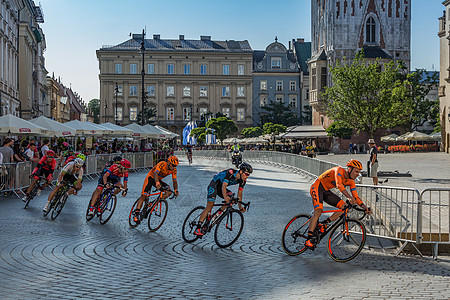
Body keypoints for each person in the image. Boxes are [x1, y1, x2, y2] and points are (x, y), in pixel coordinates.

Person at [304, 159, 371, 249]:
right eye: (356, 171)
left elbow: (356, 197)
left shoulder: (351, 182)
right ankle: (308, 239)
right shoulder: (338, 170)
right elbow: (339, 185)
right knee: (318, 211)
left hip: (326, 191)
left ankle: (324, 223)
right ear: (349, 169)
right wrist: (348, 197)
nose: (358, 174)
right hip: (317, 187)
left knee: (345, 207)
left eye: (359, 172)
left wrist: (365, 207)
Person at [194, 162, 253, 236]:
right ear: (241, 171)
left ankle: (215, 216)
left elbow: (239, 194)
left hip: (221, 188)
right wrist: (225, 198)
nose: (247, 176)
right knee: (209, 206)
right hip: (214, 184)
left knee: (231, 198)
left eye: (249, 175)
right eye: (247, 174)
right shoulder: (230, 173)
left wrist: (240, 207)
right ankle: (198, 228)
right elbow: (224, 187)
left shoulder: (243, 181)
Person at [133, 156, 179, 223]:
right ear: (168, 162)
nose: (174, 167)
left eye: (175, 166)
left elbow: (174, 180)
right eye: (173, 165)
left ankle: (153, 203)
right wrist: (157, 183)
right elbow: (155, 173)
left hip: (159, 180)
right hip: (151, 178)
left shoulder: (174, 170)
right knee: (144, 195)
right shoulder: (162, 164)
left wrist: (176, 190)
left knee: (169, 192)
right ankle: (136, 214)